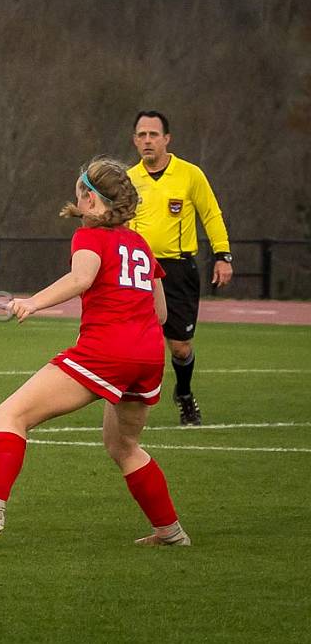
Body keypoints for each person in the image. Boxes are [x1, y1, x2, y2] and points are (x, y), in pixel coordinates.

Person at [0, 157, 190, 547]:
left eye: (78, 192)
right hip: (148, 355)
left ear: (90, 200)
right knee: (123, 446)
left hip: (108, 350)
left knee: (11, 412)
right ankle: (171, 533)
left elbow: (81, 277)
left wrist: (34, 302)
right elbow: (160, 313)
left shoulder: (90, 237)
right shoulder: (140, 245)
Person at [128, 111, 232, 426]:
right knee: (135, 339)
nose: (147, 141)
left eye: (153, 135)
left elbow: (211, 214)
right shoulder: (129, 178)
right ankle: (129, 401)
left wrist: (223, 255)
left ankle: (184, 394)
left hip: (178, 269)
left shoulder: (189, 174)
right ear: (134, 140)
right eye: (141, 135)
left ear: (167, 139)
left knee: (181, 347)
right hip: (139, 270)